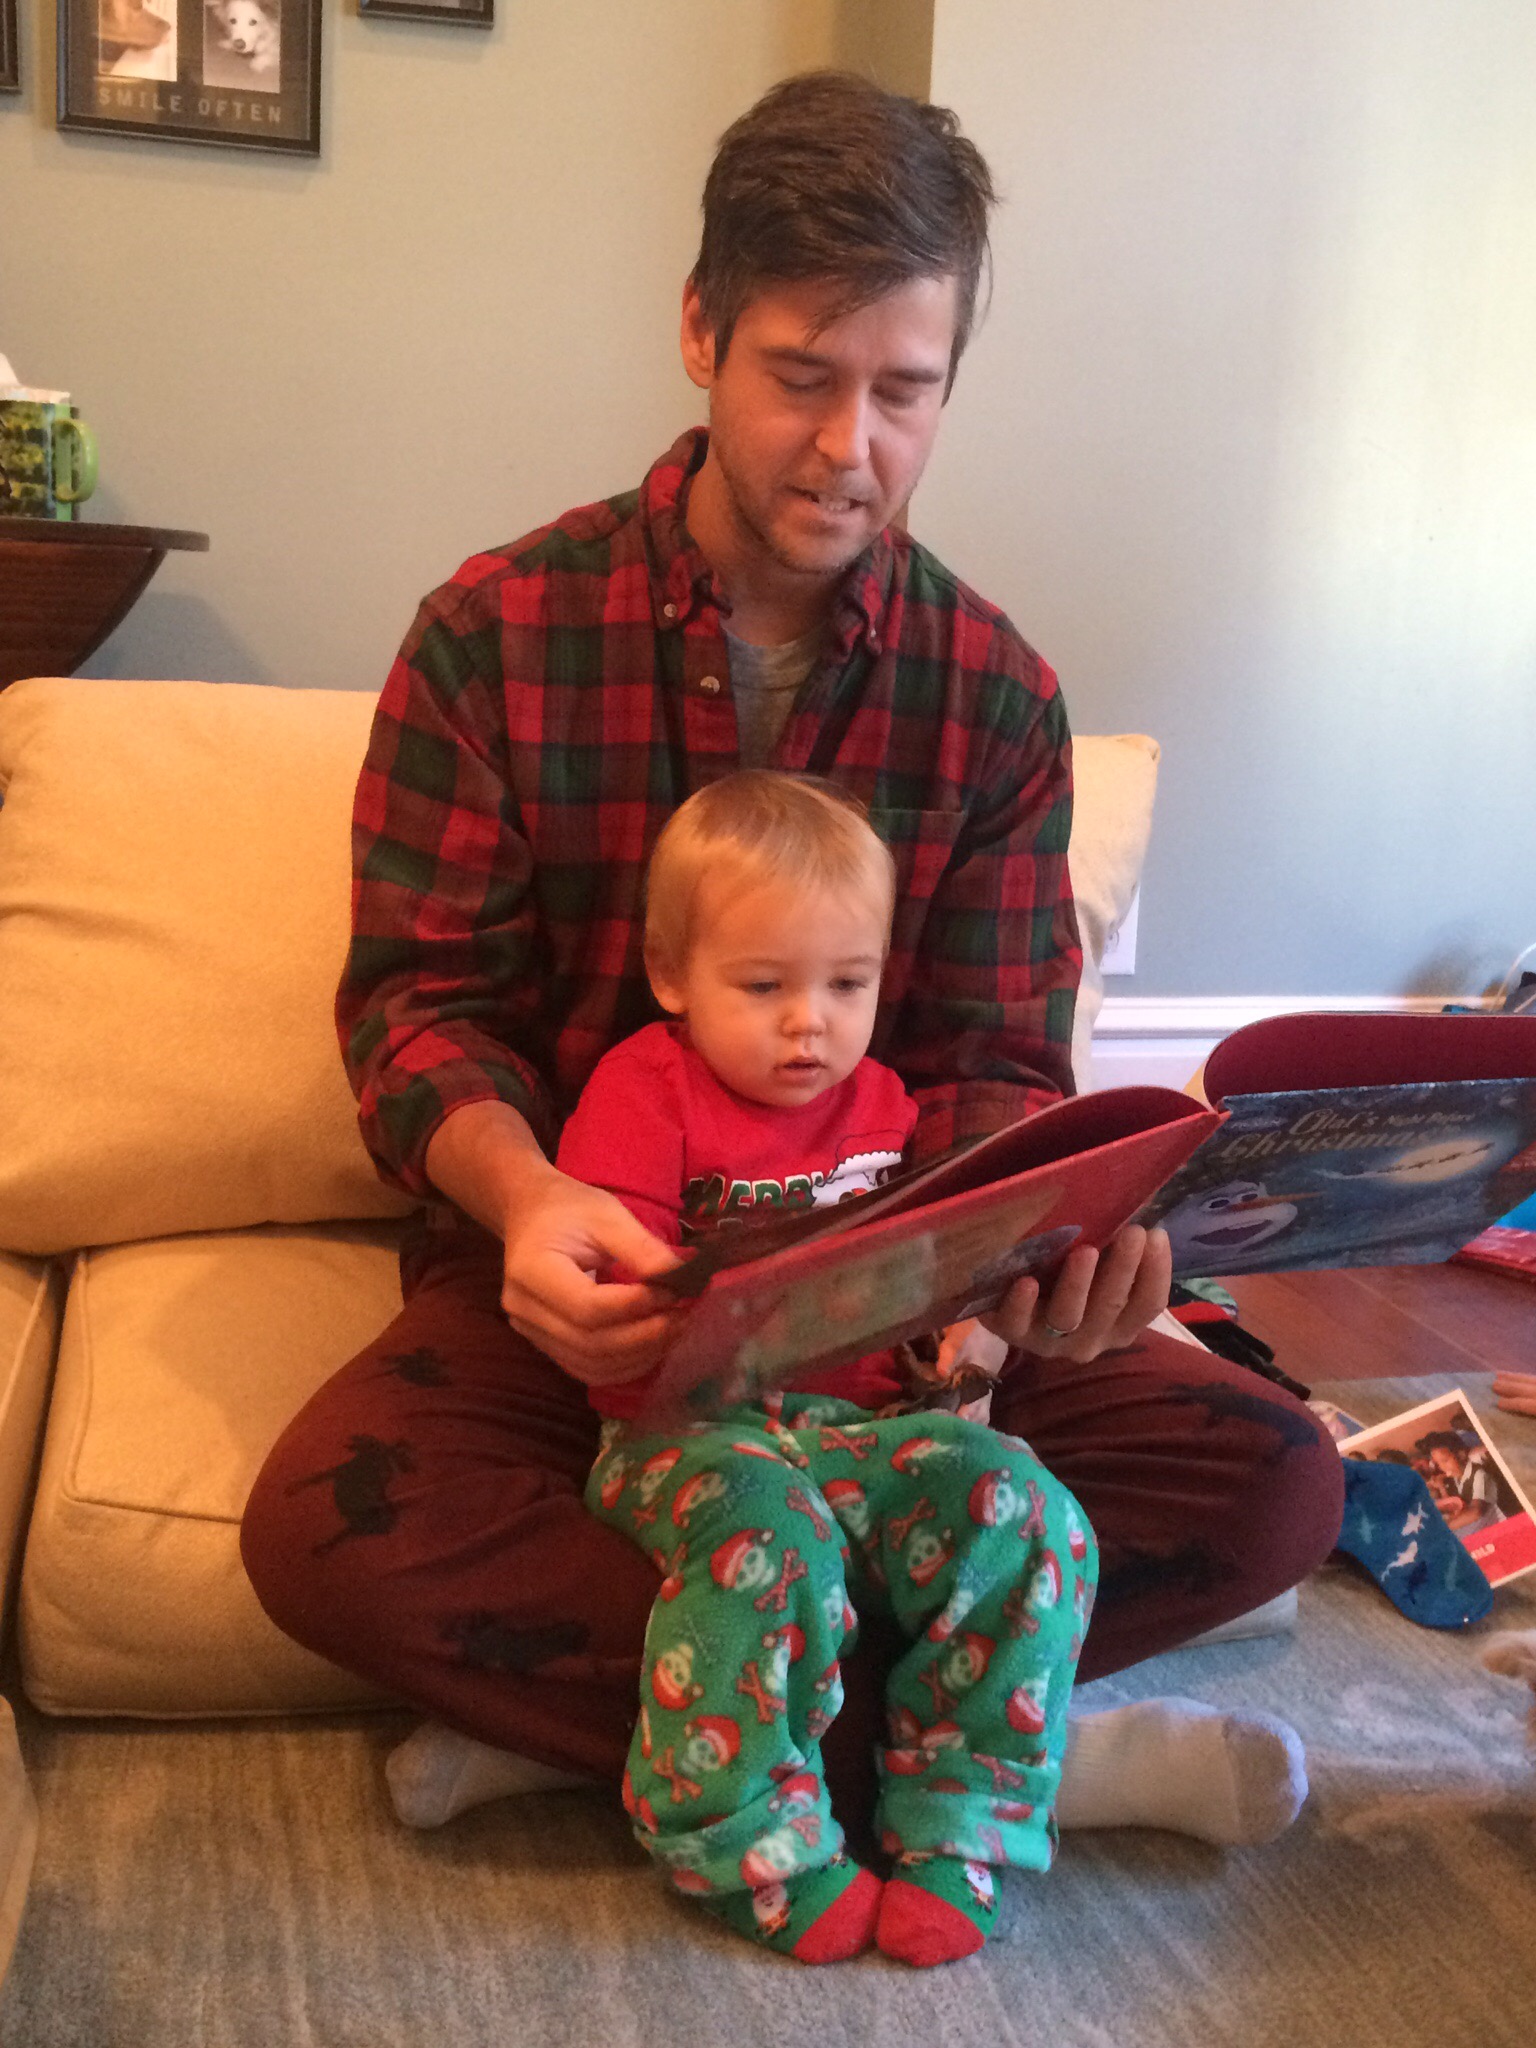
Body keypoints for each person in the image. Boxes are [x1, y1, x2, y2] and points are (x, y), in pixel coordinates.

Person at [240, 69, 1342, 1880]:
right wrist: (527, 1204)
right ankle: (1007, 1747)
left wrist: (1035, 1271)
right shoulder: (495, 635)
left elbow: (995, 1061)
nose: (849, 446)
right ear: (700, 331)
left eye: (905, 392)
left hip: (893, 1330)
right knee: (325, 1534)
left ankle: (661, 1738)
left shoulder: (993, 691)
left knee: (1281, 1477)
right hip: (586, 1314)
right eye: (802, 376)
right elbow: (417, 1013)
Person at [556, 769, 1098, 1966]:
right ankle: (738, 1838)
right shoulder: (642, 1088)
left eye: (848, 985)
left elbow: (922, 1284)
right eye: (765, 986)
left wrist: (959, 1328)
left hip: (859, 1428)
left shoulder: (887, 1101)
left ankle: (966, 1812)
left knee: (1023, 1502)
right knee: (772, 1531)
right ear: (670, 975)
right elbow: (618, 1295)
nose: (811, 1022)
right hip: (684, 1432)